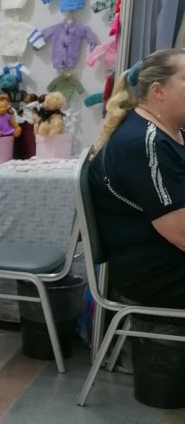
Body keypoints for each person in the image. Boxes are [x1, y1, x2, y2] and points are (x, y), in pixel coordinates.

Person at [87, 49, 185, 308]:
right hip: (156, 274)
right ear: (158, 90)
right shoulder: (144, 143)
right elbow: (182, 233)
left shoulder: (172, 132)